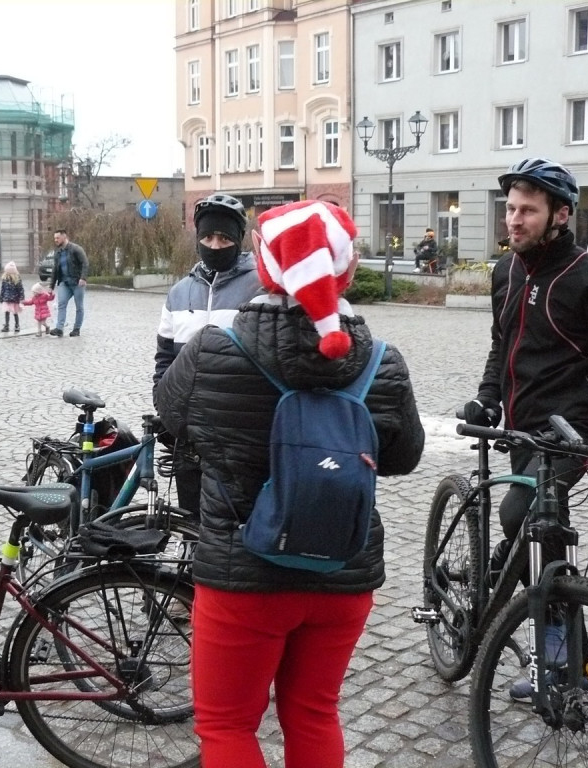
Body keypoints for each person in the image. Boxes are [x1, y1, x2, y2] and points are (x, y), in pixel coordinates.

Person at [156, 200, 424, 768]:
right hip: (342, 572)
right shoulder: (382, 362)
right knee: (313, 712)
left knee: (228, 726)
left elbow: (172, 415)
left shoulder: (211, 349)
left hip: (242, 574)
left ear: (265, 264)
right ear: (346, 270)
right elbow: (403, 457)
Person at [464, 158, 588, 698]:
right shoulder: (505, 271)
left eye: (527, 210)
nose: (514, 219)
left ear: (560, 214)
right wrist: (488, 401)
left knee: (522, 514)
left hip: (575, 430)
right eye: (510, 209)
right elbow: (501, 344)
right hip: (522, 430)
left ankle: (560, 660)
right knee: (540, 536)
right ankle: (567, 659)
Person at [152, 193, 261, 517]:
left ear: (238, 240)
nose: (214, 245)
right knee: (191, 524)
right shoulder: (178, 292)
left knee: (235, 531)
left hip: (239, 435)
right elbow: (164, 359)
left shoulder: (260, 287)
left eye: (224, 237)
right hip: (189, 437)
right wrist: (166, 408)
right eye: (207, 237)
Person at [47, 228, 88, 337]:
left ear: (64, 237)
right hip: (64, 283)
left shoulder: (76, 249)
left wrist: (83, 278)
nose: (56, 240)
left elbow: (85, 263)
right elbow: (55, 269)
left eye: (57, 238)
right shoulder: (58, 252)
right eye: (55, 238)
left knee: (79, 306)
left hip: (77, 282)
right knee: (61, 304)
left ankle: (76, 329)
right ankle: (59, 328)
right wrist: (51, 286)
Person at [0, 261, 25, 332]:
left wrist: (1, 298)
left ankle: (7, 326)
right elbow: (21, 289)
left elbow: (3, 289)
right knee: (15, 313)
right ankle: (17, 325)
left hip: (7, 299)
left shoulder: (6, 279)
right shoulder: (16, 278)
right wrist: (21, 297)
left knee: (7, 312)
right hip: (14, 299)